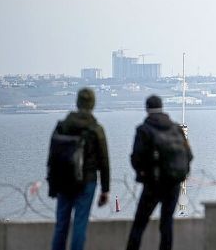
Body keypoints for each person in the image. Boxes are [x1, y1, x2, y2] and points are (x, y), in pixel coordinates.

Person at [125, 95, 193, 250]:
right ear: (162, 107)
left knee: (139, 223)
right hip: (174, 183)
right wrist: (183, 174)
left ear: (147, 109)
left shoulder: (143, 130)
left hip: (152, 184)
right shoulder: (176, 129)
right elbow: (189, 155)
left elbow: (136, 157)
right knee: (166, 223)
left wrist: (142, 175)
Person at [47, 87, 110, 250]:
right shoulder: (96, 129)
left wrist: (52, 183)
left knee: (61, 224)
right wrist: (105, 189)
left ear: (77, 103)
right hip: (86, 182)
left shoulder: (62, 126)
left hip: (62, 180)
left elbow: (52, 156)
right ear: (93, 104)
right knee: (79, 225)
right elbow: (104, 161)